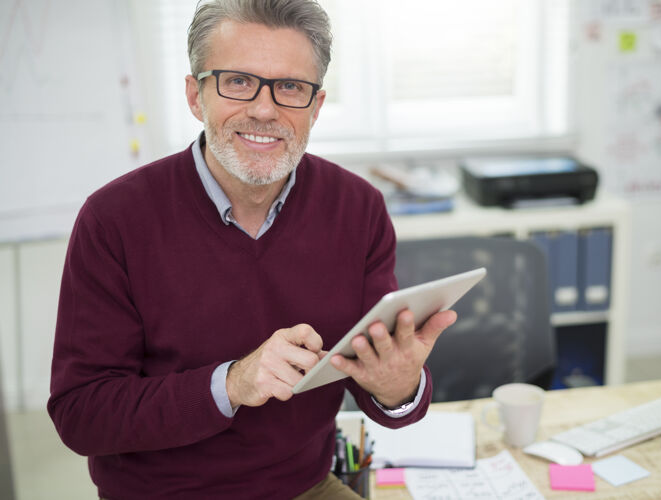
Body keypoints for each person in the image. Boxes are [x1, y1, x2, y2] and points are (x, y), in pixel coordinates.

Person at [47, 0, 456, 498]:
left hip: (304, 486)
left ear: (316, 106)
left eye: (290, 87)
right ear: (195, 96)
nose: (264, 110)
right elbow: (81, 415)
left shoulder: (358, 207)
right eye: (237, 81)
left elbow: (373, 380)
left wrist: (397, 388)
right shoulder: (113, 219)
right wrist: (233, 384)